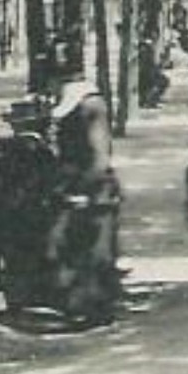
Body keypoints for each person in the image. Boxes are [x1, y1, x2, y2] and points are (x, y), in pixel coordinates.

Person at [45, 41, 123, 327]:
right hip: (85, 185)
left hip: (93, 188)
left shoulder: (88, 105)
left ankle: (93, 310)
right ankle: (85, 306)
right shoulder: (82, 103)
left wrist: (86, 190)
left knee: (89, 248)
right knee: (79, 246)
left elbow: (99, 153)